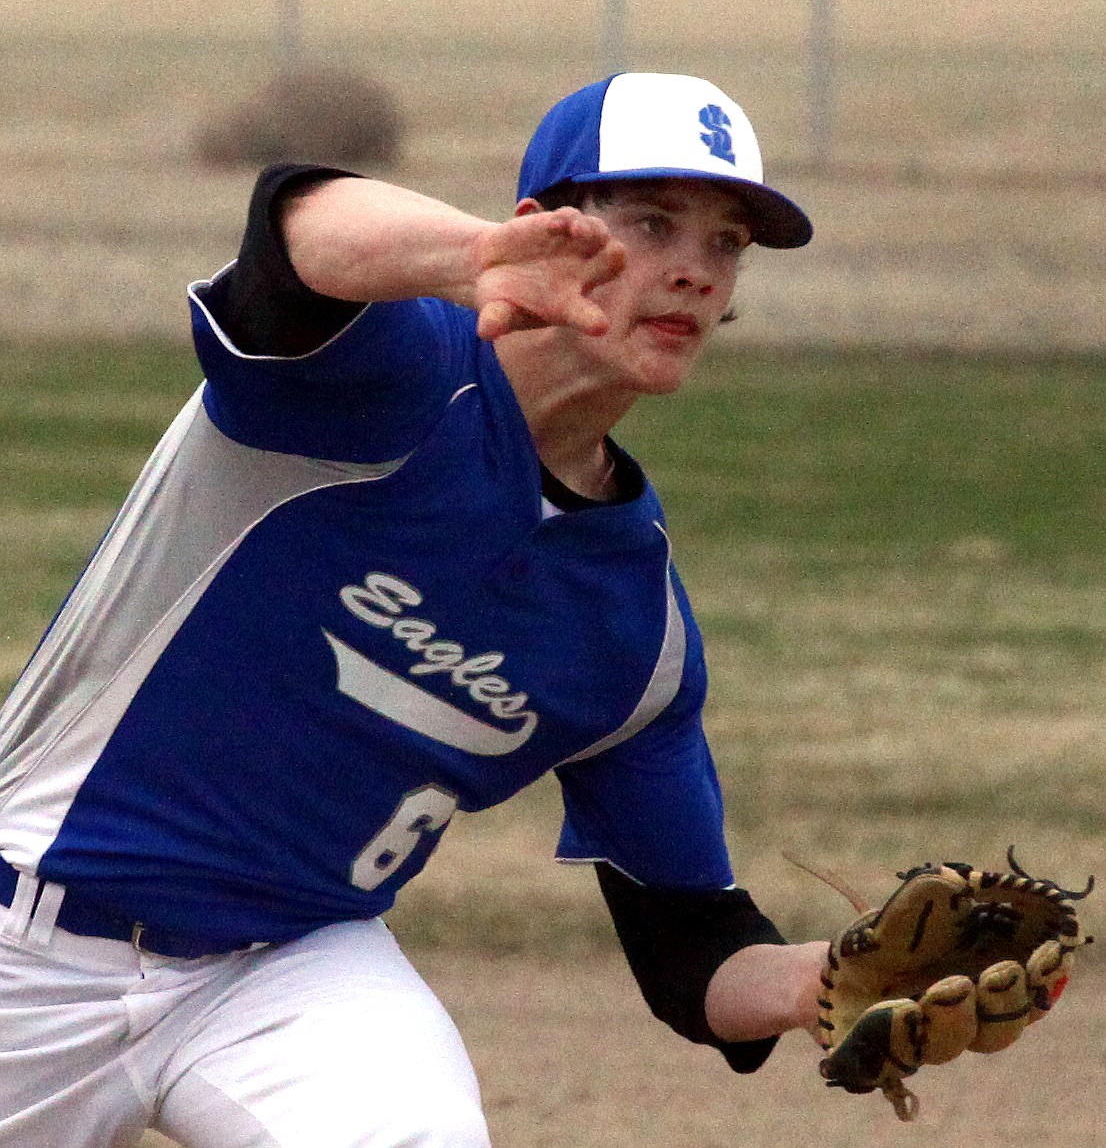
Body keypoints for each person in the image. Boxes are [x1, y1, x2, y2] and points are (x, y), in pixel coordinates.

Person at [0, 71, 829, 1148]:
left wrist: (832, 979)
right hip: (28, 930)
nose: (689, 269)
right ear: (545, 227)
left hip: (289, 974)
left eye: (725, 243)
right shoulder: (385, 376)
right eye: (651, 222)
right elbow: (296, 224)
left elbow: (693, 949)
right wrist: (468, 258)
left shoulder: (630, 630)